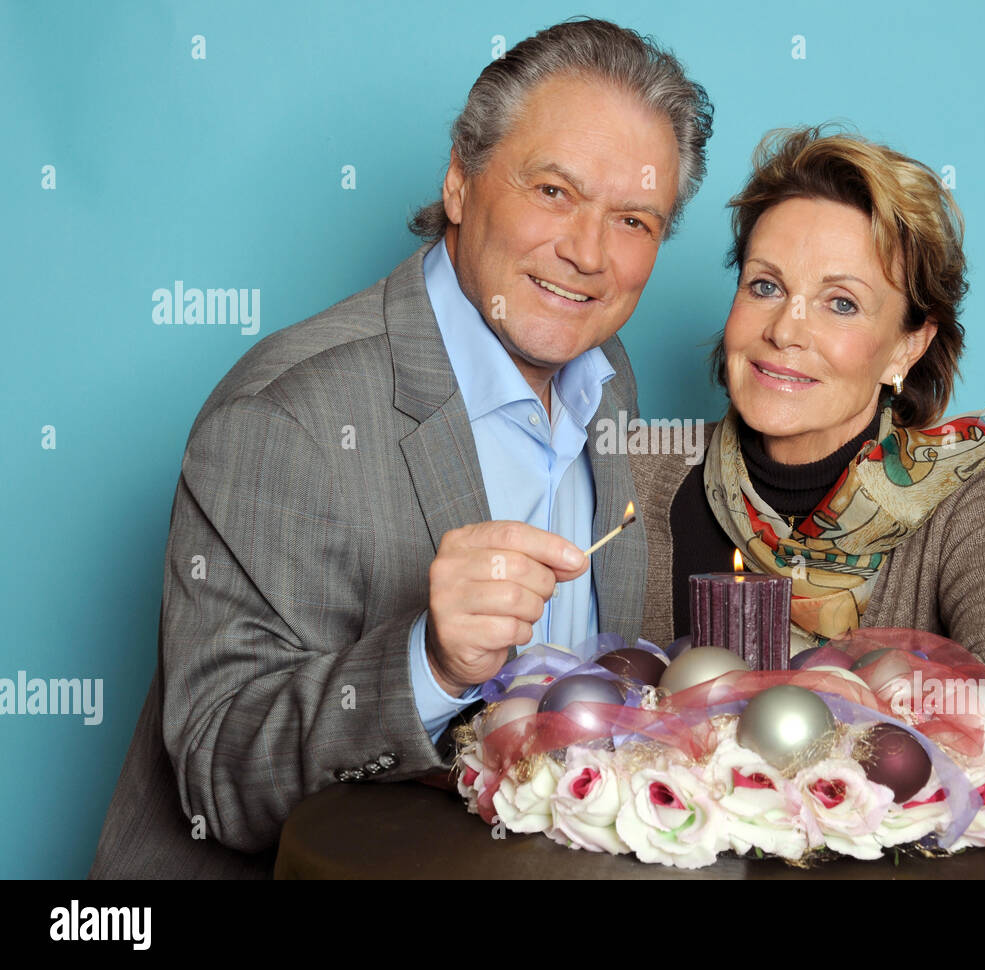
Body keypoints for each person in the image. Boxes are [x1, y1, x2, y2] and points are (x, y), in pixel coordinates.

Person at [89, 18, 713, 879]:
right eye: (553, 192)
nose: (587, 253)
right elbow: (217, 776)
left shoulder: (606, 375)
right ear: (460, 180)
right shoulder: (286, 416)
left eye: (634, 219)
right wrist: (430, 661)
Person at [633, 127, 985, 780]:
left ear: (907, 347)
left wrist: (813, 722)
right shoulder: (645, 472)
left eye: (840, 303)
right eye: (765, 286)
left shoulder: (973, 494)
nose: (786, 330)